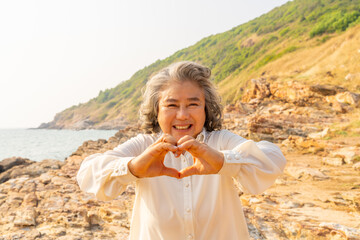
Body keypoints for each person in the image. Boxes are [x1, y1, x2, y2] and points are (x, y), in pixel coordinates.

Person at [76, 61, 286, 240]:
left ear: (206, 109)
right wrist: (132, 168)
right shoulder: (144, 145)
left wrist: (223, 162)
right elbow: (87, 174)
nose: (183, 115)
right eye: (172, 105)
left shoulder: (219, 141)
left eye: (193, 104)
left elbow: (273, 158)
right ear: (156, 110)